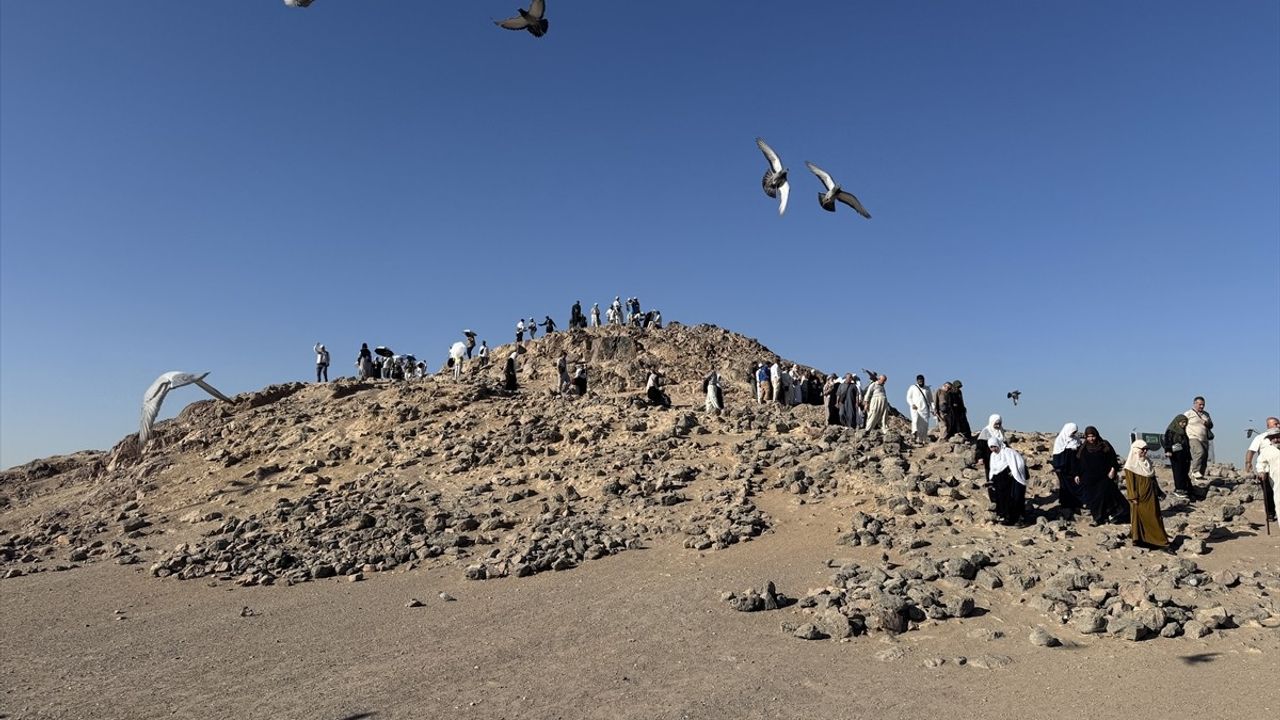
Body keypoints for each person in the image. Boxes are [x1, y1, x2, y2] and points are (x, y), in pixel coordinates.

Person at [1121, 438, 1169, 548]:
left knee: (1155, 517)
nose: (1145, 452)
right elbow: (1130, 483)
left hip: (1151, 496)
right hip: (1139, 498)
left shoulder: (1147, 463)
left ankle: (1150, 540)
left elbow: (1152, 479)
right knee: (1147, 519)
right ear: (1135, 450)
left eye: (1146, 450)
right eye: (1143, 450)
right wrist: (1133, 497)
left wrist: (1159, 492)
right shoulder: (1130, 466)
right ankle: (1162, 542)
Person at [1076, 426, 1129, 525]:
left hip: (1103, 477)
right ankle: (1098, 519)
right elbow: (1079, 462)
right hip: (1089, 479)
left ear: (1096, 435)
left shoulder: (1104, 445)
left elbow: (1113, 458)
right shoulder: (1083, 447)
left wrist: (1113, 469)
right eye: (1088, 436)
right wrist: (1077, 474)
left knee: (1107, 497)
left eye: (1093, 436)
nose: (1091, 439)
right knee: (1094, 500)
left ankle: (1115, 516)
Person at [986, 437, 1028, 526]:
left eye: (994, 446)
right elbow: (993, 469)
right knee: (1003, 499)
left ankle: (1019, 519)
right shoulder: (993, 455)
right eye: (991, 447)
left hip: (1012, 480)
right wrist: (991, 480)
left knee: (1015, 498)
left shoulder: (1007, 452)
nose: (993, 449)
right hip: (1001, 481)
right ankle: (1007, 518)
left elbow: (1018, 462)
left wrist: (1014, 472)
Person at [1051, 423, 1084, 512]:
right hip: (1064, 469)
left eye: (1075, 432)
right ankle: (1067, 506)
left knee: (1076, 486)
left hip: (1074, 469)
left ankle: (1077, 505)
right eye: (1072, 431)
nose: (1073, 433)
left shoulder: (1076, 440)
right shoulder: (1060, 440)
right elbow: (1057, 456)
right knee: (1065, 487)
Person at [1161, 414, 1194, 499]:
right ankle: (1179, 489)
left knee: (1184, 472)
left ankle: (1186, 489)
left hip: (1185, 455)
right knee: (1178, 472)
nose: (1183, 424)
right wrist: (1168, 450)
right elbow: (1167, 442)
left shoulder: (1183, 432)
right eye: (1182, 422)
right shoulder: (1171, 431)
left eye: (1185, 422)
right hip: (1176, 455)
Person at [1183, 396, 1214, 480]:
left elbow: (1211, 425)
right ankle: (1195, 471)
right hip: (1193, 437)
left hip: (1204, 438)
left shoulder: (1206, 414)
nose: (1202, 406)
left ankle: (1200, 475)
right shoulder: (1188, 413)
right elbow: (1181, 423)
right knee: (1199, 452)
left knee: (1204, 457)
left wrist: (1207, 423)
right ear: (1195, 404)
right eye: (1200, 404)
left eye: (1203, 405)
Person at [1254, 429, 1280, 524]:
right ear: (1270, 439)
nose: (1276, 439)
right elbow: (1261, 463)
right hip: (1277, 482)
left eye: (1278, 437)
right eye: (1274, 437)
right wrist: (1261, 472)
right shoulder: (1267, 451)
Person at [905, 375, 933, 444]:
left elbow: (931, 400)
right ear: (917, 381)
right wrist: (912, 404)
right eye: (919, 380)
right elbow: (908, 397)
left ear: (924, 380)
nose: (920, 381)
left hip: (925, 409)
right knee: (915, 420)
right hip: (915, 408)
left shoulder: (927, 389)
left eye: (921, 380)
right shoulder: (913, 387)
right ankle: (914, 434)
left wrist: (933, 409)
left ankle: (922, 439)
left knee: (924, 425)